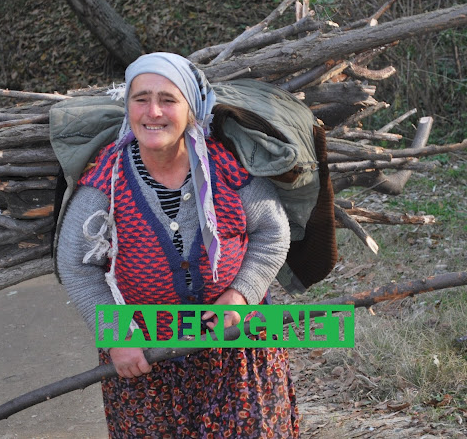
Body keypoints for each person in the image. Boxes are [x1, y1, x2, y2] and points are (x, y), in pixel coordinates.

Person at [56, 52, 299, 438]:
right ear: (128, 108)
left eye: (168, 100)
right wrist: (117, 336)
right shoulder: (107, 180)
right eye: (141, 99)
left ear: (191, 109)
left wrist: (241, 295)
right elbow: (75, 264)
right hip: (145, 359)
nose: (153, 111)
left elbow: (273, 233)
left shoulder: (228, 168)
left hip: (237, 347)